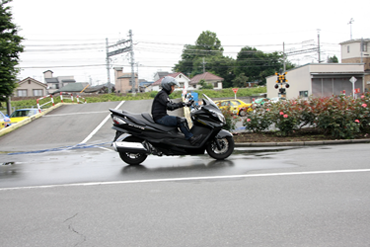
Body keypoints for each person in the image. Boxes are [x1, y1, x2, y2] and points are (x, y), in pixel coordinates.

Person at [151, 76, 203, 145]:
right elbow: (170, 106)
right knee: (181, 120)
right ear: (167, 86)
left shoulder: (163, 94)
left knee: (180, 120)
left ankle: (186, 136)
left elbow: (170, 107)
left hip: (161, 116)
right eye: (173, 86)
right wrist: (182, 104)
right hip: (160, 118)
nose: (173, 88)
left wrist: (184, 104)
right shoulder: (162, 94)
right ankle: (191, 138)